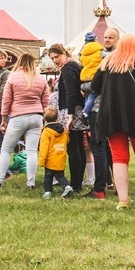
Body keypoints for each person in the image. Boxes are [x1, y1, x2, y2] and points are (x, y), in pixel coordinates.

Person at [90, 33, 135, 210]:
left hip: (111, 116)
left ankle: (123, 200)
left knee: (119, 157)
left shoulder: (107, 63)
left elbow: (94, 86)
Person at [0, 52, 49, 189]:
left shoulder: (12, 77)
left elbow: (6, 100)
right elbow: (46, 101)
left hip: (18, 116)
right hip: (36, 116)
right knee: (31, 151)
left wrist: (4, 118)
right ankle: (31, 182)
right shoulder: (41, 79)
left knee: (6, 149)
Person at [83, 27, 118, 199]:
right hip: (112, 107)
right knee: (112, 148)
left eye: (111, 37)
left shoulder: (107, 60)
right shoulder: (114, 57)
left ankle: (99, 188)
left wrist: (82, 86)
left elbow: (96, 84)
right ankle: (114, 183)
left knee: (98, 147)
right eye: (105, 37)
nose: (107, 40)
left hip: (100, 107)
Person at [47, 43, 87, 191]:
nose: (55, 60)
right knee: (78, 147)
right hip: (76, 109)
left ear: (63, 53)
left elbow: (71, 92)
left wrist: (69, 115)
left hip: (71, 111)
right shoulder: (73, 66)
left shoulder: (68, 68)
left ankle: (76, 183)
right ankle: (77, 182)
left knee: (73, 147)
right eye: (52, 58)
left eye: (57, 57)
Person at [38, 106, 72, 198]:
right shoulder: (63, 129)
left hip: (50, 159)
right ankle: (67, 186)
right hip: (61, 156)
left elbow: (44, 147)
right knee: (60, 175)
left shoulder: (46, 131)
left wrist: (42, 160)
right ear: (57, 116)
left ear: (44, 118)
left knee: (48, 176)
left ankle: (48, 192)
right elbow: (67, 140)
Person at [79, 31, 103, 117]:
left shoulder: (83, 53)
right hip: (95, 77)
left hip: (86, 78)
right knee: (93, 95)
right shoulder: (100, 51)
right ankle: (85, 112)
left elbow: (81, 62)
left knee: (88, 96)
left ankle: (86, 109)